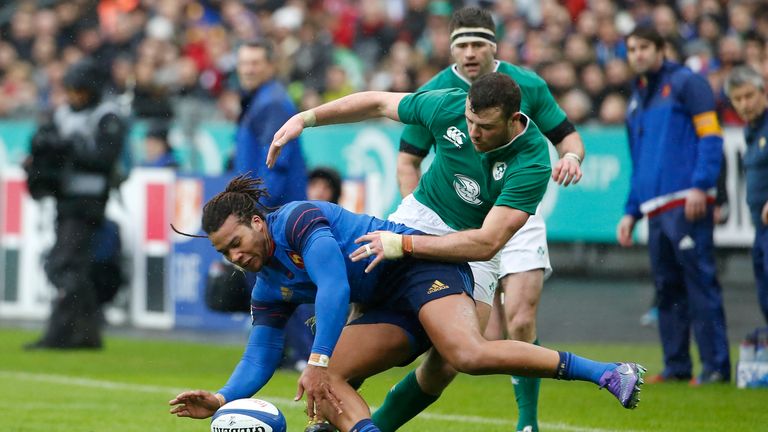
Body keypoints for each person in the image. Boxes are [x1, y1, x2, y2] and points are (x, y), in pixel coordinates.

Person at [168, 175, 645, 432]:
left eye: (236, 242)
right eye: (223, 252)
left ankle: (606, 372)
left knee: (466, 355)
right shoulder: (266, 284)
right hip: (388, 307)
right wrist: (224, 398)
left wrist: (316, 357)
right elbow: (260, 353)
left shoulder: (296, 219)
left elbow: (333, 286)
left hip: (421, 269)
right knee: (322, 381)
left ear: (256, 221)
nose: (235, 256)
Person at [387, 8, 586, 432]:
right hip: (453, 216)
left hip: (514, 208)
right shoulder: (438, 91)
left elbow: (567, 136)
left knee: (520, 315)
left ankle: (527, 423)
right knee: (453, 353)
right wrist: (419, 218)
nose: (470, 52)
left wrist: (571, 155)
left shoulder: (526, 85)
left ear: (495, 47)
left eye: (479, 44)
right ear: (450, 46)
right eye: (462, 44)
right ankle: (341, 386)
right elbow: (408, 160)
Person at [616, 26, 731, 385]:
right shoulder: (636, 100)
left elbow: (711, 137)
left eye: (644, 47)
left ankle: (715, 367)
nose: (637, 54)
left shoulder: (687, 83)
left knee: (700, 283)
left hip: (686, 201)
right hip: (653, 208)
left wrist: (701, 186)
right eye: (632, 48)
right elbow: (640, 162)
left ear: (662, 48)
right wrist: (630, 210)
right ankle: (677, 366)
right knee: (666, 288)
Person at [23, 58, 127, 350]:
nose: (74, 97)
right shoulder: (62, 114)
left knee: (64, 264)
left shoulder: (108, 116)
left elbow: (104, 159)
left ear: (92, 90)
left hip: (88, 201)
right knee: (72, 267)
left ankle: (63, 332)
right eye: (70, 90)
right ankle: (85, 332)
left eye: (79, 91)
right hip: (64, 197)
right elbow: (44, 145)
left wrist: (68, 147)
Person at [281, 167, 344, 372]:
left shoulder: (339, 218)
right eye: (314, 185)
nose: (319, 191)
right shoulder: (294, 217)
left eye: (326, 187)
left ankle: (310, 355)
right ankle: (289, 354)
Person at [232, 39, 307, 207]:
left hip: (274, 215)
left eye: (255, 63)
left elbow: (275, 162)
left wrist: (256, 209)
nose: (248, 70)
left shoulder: (273, 103)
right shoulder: (260, 99)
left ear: (270, 66)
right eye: (243, 63)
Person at [724, 66, 768, 324]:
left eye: (749, 96)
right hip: (759, 229)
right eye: (738, 99)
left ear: (763, 92)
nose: (744, 104)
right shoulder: (752, 131)